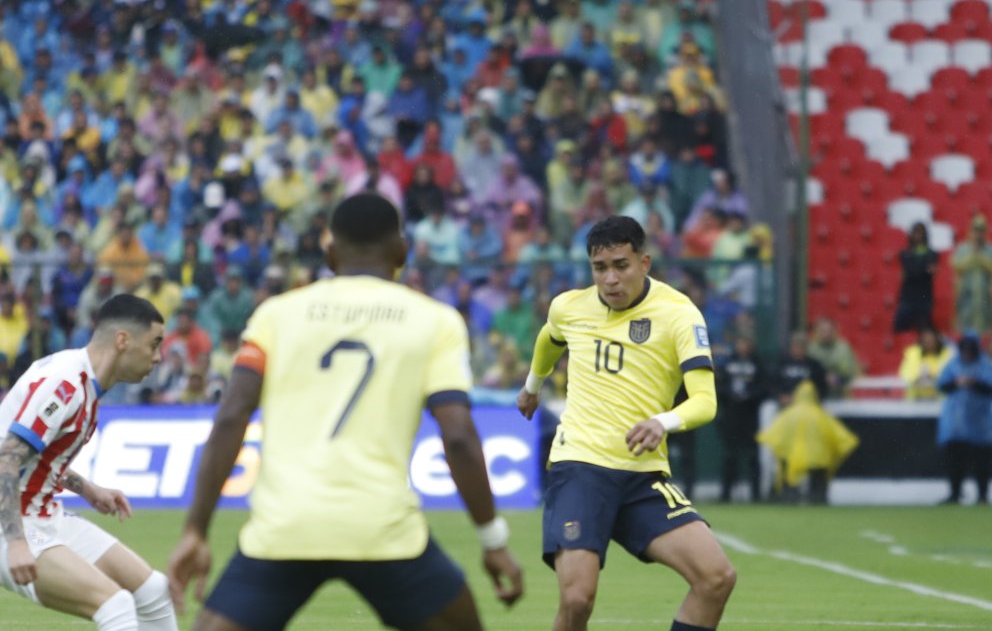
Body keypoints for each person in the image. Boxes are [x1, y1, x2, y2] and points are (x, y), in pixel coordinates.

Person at [167, 193, 524, 630]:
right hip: (383, 530)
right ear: (403, 251)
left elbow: (230, 416)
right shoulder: (434, 321)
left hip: (285, 528)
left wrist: (196, 531)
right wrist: (493, 540)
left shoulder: (276, 315)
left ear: (330, 251)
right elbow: (459, 437)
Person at [516, 215, 735, 631]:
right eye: (600, 268)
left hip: (642, 475)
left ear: (645, 262)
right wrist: (532, 385)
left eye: (621, 265)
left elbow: (705, 402)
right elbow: (549, 338)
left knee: (716, 578)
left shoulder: (679, 314)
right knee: (577, 599)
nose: (610, 279)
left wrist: (663, 421)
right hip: (580, 467)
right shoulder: (569, 306)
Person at [0, 294, 177, 631]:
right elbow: (3, 463)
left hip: (42, 513)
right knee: (116, 606)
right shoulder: (65, 384)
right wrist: (15, 543)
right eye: (154, 344)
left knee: (153, 592)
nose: (159, 357)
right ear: (122, 341)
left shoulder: (84, 383)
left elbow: (39, 456)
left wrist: (87, 489)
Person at [935, 334, 992, 505]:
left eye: (970, 351)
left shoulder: (984, 365)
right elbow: (942, 385)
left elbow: (989, 387)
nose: (966, 354)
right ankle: (955, 493)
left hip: (980, 420)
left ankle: (982, 495)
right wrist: (957, 382)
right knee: (955, 460)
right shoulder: (953, 364)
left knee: (982, 460)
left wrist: (973, 382)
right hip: (955, 423)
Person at [716, 335, 767, 502]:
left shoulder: (757, 363)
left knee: (753, 455)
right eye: (740, 343)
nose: (742, 347)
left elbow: (763, 386)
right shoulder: (728, 363)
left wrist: (749, 396)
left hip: (750, 415)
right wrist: (731, 395)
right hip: (731, 414)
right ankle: (725, 494)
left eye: (746, 343)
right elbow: (719, 385)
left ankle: (756, 494)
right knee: (730, 455)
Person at [893, 222, 937, 333]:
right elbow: (922, 271)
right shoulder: (905, 253)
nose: (918, 236)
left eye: (921, 233)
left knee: (925, 330)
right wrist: (923, 269)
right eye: (916, 233)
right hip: (908, 297)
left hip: (924, 298)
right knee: (899, 328)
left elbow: (913, 272)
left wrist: (913, 271)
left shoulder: (932, 254)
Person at [898, 327, 953, 401]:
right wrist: (918, 377)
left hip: (939, 397)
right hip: (916, 397)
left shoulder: (947, 354)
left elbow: (949, 375)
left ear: (937, 341)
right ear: (921, 342)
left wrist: (932, 376)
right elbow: (905, 373)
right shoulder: (913, 353)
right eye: (926, 342)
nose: (929, 344)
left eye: (932, 341)